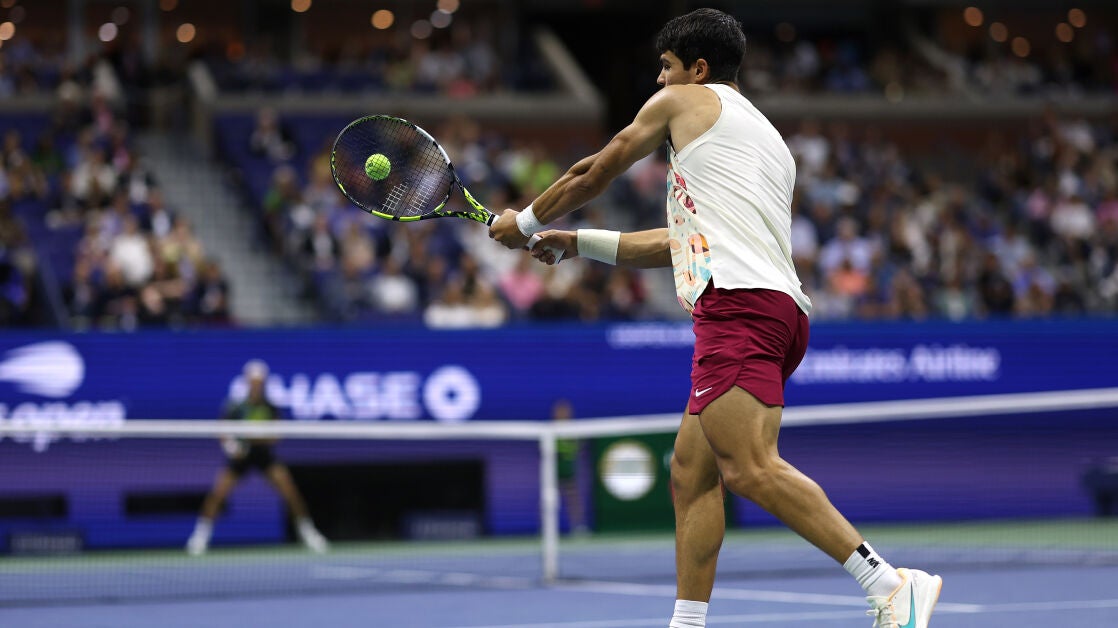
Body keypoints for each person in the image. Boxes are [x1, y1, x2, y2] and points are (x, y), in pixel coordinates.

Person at [489, 9, 941, 628]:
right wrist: (576, 242)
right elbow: (684, 242)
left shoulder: (683, 102)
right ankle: (688, 623)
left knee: (750, 467)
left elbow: (598, 167)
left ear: (698, 69)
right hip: (778, 313)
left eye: (666, 67)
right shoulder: (766, 140)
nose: (659, 80)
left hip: (738, 307)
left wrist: (526, 222)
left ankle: (890, 583)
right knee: (691, 471)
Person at [186, 360, 329, 555]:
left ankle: (308, 533)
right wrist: (231, 446)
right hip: (240, 457)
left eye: (259, 382)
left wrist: (254, 437)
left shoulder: (270, 407)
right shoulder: (236, 406)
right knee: (218, 494)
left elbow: (275, 435)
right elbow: (222, 431)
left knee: (290, 492)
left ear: (263, 383)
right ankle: (200, 537)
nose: (256, 385)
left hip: (263, 455)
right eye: (253, 381)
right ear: (247, 382)